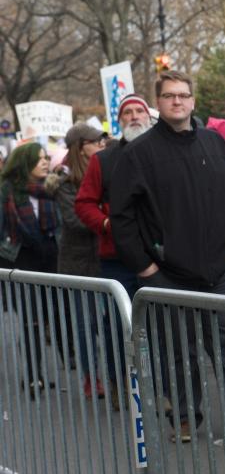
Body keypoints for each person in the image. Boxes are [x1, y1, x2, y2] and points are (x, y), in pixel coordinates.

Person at [109, 71, 225, 441]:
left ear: (193, 101)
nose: (178, 102)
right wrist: (145, 267)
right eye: (169, 96)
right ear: (159, 103)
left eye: (183, 95)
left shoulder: (215, 143)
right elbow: (122, 217)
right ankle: (184, 417)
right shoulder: (138, 154)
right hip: (168, 273)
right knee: (178, 351)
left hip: (224, 266)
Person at [75, 93, 152, 407]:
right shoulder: (103, 159)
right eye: (127, 113)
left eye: (139, 111)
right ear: (120, 121)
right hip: (116, 259)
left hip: (160, 258)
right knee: (117, 328)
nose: (134, 116)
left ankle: (159, 389)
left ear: (148, 117)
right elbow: (83, 204)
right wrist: (106, 224)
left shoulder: (164, 152)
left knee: (158, 326)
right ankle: (121, 384)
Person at [52, 123, 107, 399]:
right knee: (85, 324)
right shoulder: (65, 184)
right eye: (95, 141)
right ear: (80, 147)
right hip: (77, 262)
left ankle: (117, 374)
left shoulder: (106, 172)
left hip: (106, 257)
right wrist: (105, 217)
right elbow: (75, 220)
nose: (101, 145)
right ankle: (90, 376)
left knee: (110, 322)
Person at [1, 142, 60, 395]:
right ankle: (34, 375)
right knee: (31, 321)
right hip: (21, 262)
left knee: (48, 318)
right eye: (39, 159)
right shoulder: (7, 192)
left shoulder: (52, 190)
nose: (46, 162)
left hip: (51, 262)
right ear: (25, 163)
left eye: (47, 157)